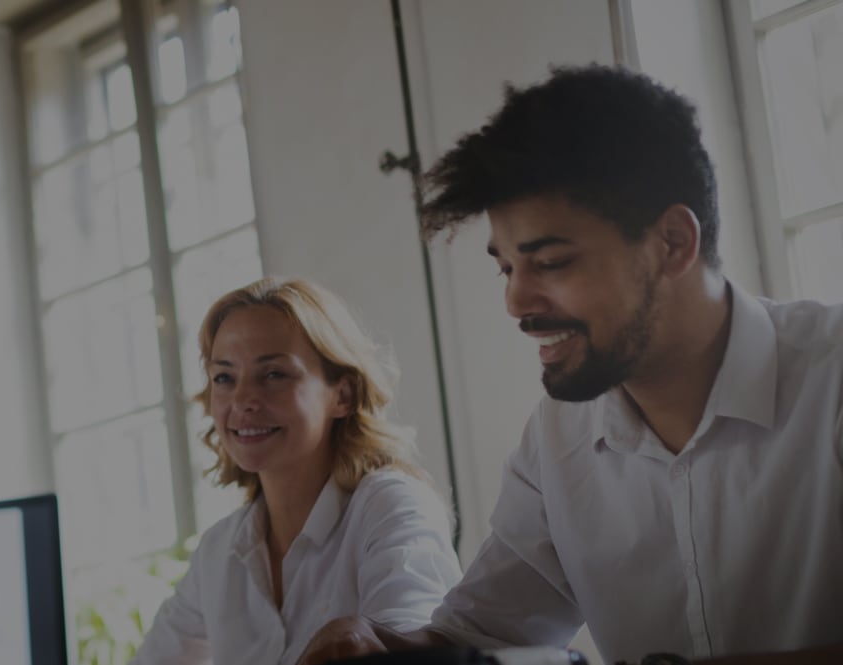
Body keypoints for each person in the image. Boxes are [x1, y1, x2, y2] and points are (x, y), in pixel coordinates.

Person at [296, 66, 843, 665]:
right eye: (506, 268)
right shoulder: (558, 438)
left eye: (551, 262)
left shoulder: (831, 378)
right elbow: (485, 630)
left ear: (672, 243)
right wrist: (386, 646)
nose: (515, 303)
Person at [130, 278, 461, 665]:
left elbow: (411, 657)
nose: (242, 400)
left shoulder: (391, 507)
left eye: (274, 374)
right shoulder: (220, 552)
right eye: (224, 377)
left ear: (343, 394)